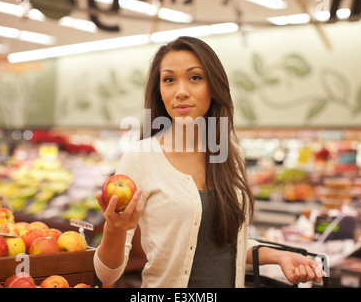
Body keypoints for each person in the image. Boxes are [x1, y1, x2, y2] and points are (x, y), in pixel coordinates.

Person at [94, 36, 324, 288]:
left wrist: (278, 256)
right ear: (159, 90)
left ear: (213, 86)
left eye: (195, 77)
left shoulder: (228, 153)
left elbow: (223, 245)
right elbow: (107, 276)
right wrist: (115, 230)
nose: (181, 91)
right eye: (169, 79)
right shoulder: (140, 157)